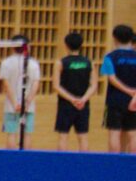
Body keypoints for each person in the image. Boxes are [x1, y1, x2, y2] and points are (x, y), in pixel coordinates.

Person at [54, 31, 97, 151]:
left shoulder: (61, 63)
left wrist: (72, 99)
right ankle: (84, 166)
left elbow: (56, 86)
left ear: (66, 45)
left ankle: (62, 165)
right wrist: (82, 99)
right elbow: (93, 85)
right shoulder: (89, 63)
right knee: (83, 137)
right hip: (83, 105)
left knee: (63, 136)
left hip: (65, 104)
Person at [0, 34, 42, 148]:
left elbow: (6, 85)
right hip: (28, 106)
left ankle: (11, 161)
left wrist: (15, 103)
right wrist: (27, 102)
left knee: (11, 133)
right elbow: (36, 84)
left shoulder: (6, 63)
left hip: (11, 106)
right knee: (27, 135)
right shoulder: (34, 63)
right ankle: (26, 162)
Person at [103, 24, 136, 155]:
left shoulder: (110, 57)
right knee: (133, 133)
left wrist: (128, 91)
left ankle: (113, 163)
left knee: (114, 132)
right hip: (134, 100)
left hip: (115, 100)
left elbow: (112, 79)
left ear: (115, 38)